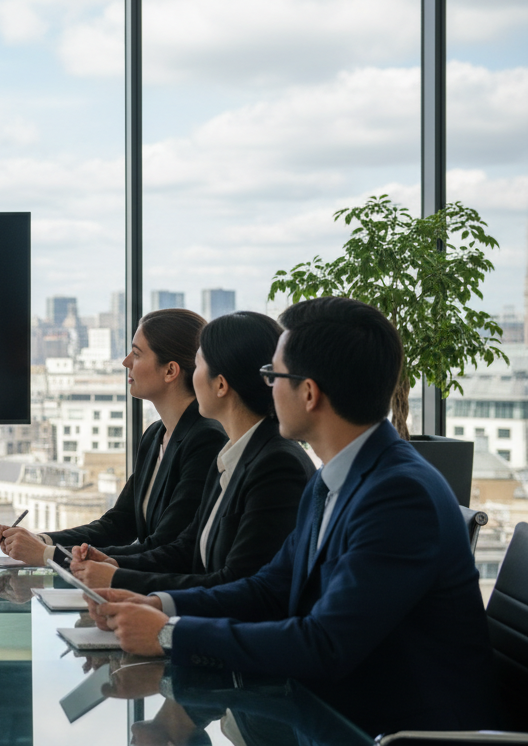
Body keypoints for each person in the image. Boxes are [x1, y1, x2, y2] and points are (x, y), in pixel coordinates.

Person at [89, 297, 498, 736]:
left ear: (309, 392)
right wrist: (158, 605)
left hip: (390, 732)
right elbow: (269, 588)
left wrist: (171, 633)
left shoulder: (401, 495)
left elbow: (324, 644)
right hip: (330, 713)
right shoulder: (331, 481)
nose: (266, 387)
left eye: (274, 375)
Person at [70, 312, 314, 593]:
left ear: (221, 385)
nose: (191, 377)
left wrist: (119, 580)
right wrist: (114, 564)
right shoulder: (231, 454)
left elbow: (238, 585)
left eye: (197, 365)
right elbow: (185, 548)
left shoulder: (276, 464)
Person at [0, 309, 226, 566]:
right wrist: (43, 541)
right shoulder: (155, 435)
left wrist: (49, 556)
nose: (126, 361)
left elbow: (165, 547)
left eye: (137, 354)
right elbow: (118, 524)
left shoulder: (206, 440)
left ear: (170, 370)